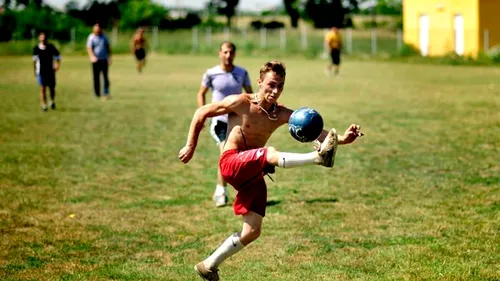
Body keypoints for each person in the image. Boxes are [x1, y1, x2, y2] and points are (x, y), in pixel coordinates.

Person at [179, 61, 362, 281]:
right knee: (269, 153)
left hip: (253, 173)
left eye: (281, 86)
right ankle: (317, 158)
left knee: (252, 230)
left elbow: (319, 133)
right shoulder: (240, 102)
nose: (275, 91)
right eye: (271, 85)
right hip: (231, 163)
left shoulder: (281, 114)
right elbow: (201, 112)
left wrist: (343, 139)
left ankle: (209, 265)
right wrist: (190, 145)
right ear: (259, 82)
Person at [197, 41, 253, 207]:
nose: (228, 56)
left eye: (231, 53)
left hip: (237, 122)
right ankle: (220, 190)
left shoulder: (242, 73)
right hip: (219, 121)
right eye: (225, 52)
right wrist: (203, 113)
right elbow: (201, 93)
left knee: (236, 157)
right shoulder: (211, 73)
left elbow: (250, 94)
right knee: (225, 154)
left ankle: (232, 190)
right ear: (219, 53)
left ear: (234, 54)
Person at [32, 32, 61, 111]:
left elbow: (58, 56)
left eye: (44, 37)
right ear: (39, 38)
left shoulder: (51, 47)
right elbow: (34, 61)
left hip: (50, 71)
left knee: (51, 88)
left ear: (47, 38)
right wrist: (34, 70)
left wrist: (57, 65)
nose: (43, 38)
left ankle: (52, 101)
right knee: (42, 88)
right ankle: (44, 105)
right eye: (41, 37)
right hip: (41, 72)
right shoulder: (36, 49)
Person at [87, 23, 112, 100]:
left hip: (104, 59)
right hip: (95, 60)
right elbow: (89, 48)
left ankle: (106, 92)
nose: (97, 31)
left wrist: (109, 57)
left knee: (105, 77)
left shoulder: (104, 37)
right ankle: (97, 93)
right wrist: (92, 56)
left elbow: (108, 47)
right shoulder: (91, 37)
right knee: (96, 77)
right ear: (93, 30)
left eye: (98, 29)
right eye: (96, 30)